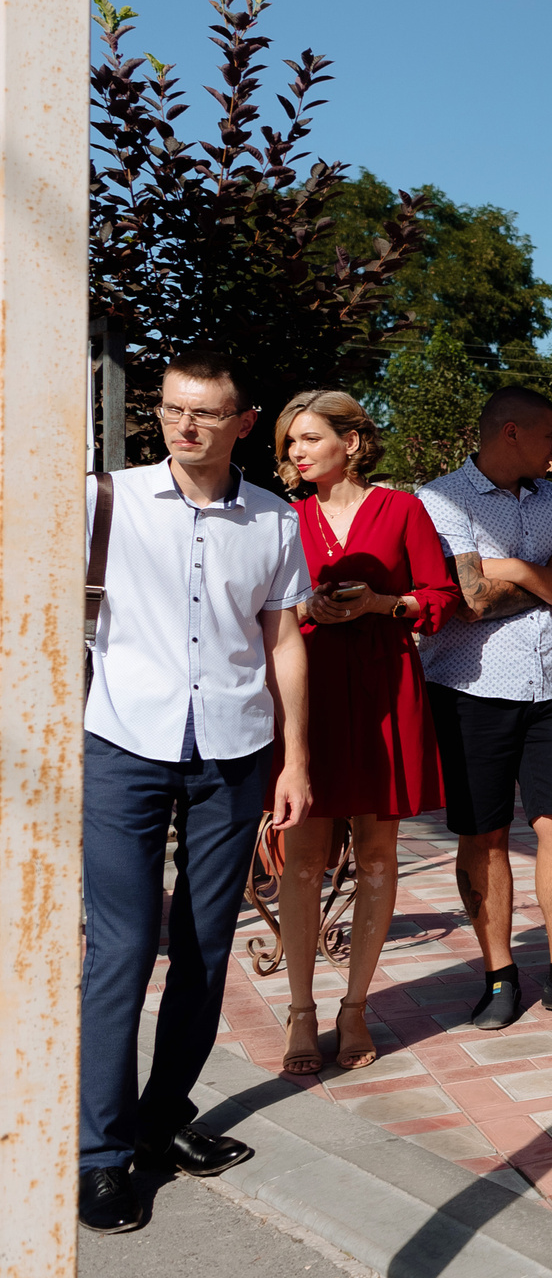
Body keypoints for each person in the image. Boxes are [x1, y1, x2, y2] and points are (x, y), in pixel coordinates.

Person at [79, 352, 315, 1233]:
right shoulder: (106, 497)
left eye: (207, 413)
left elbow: (285, 640)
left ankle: (157, 1118)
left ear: (242, 422)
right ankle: (99, 1155)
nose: (186, 425)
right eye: (175, 409)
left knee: (206, 948)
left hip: (233, 750)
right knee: (124, 946)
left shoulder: (273, 519)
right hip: (124, 741)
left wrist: (295, 760)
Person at [416, 388, 552, 1028]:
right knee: (486, 834)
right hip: (470, 688)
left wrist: (523, 574)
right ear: (510, 432)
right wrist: (547, 572)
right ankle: (499, 976)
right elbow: (467, 599)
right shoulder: (440, 500)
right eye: (551, 434)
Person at [273, 390, 460, 1076]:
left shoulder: (402, 509)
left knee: (379, 853)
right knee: (302, 856)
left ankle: (355, 1005)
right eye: (290, 441)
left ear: (351, 442)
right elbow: (265, 605)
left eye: (309, 438)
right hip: (309, 689)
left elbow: (439, 595)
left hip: (385, 684)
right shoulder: (284, 517)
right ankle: (300, 1009)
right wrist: (306, 605)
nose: (296, 452)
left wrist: (384, 602)